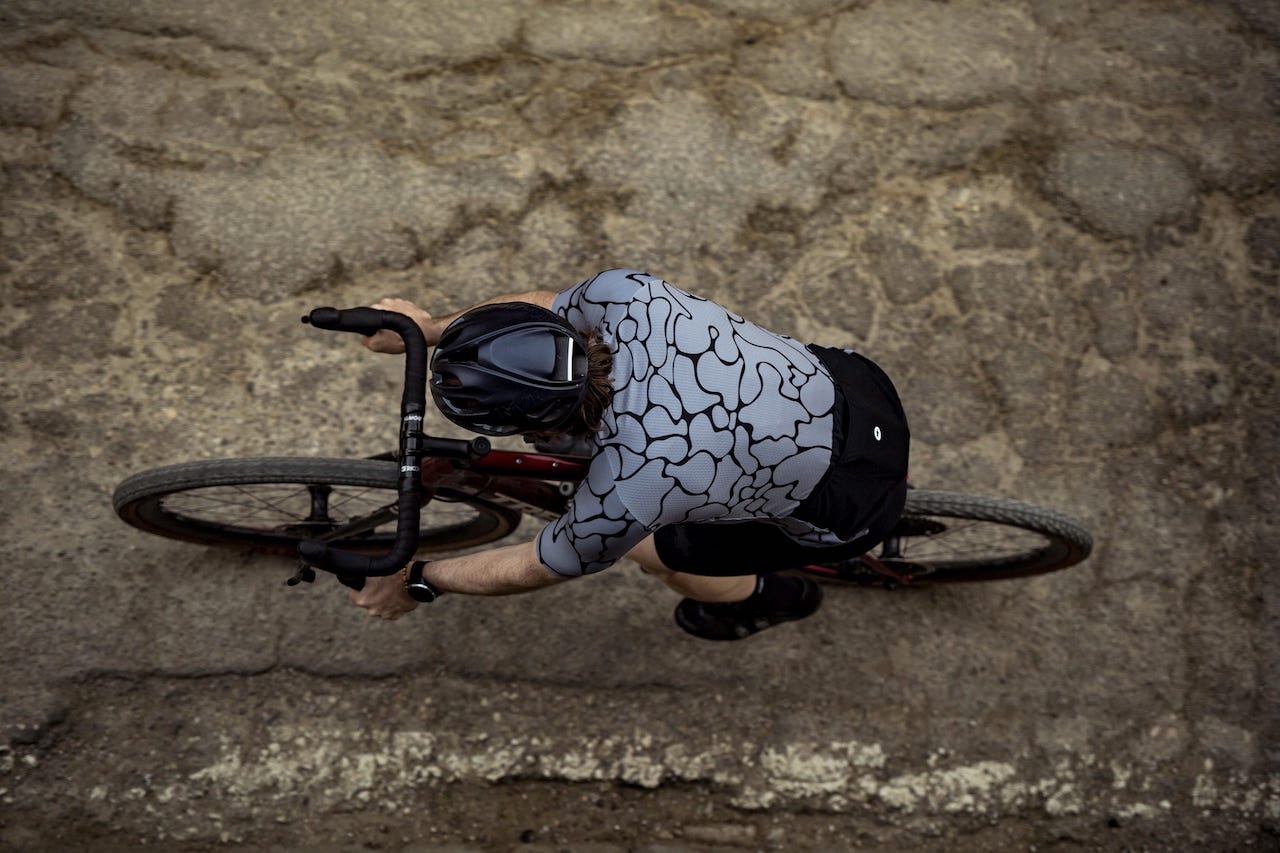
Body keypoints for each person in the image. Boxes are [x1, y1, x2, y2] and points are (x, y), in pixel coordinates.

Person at [348, 269, 910, 641]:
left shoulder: (634, 487)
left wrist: (420, 578)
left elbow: (541, 562)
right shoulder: (629, 296)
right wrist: (427, 328)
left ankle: (767, 597)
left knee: (654, 551)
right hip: (856, 386)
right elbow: (545, 306)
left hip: (847, 499)